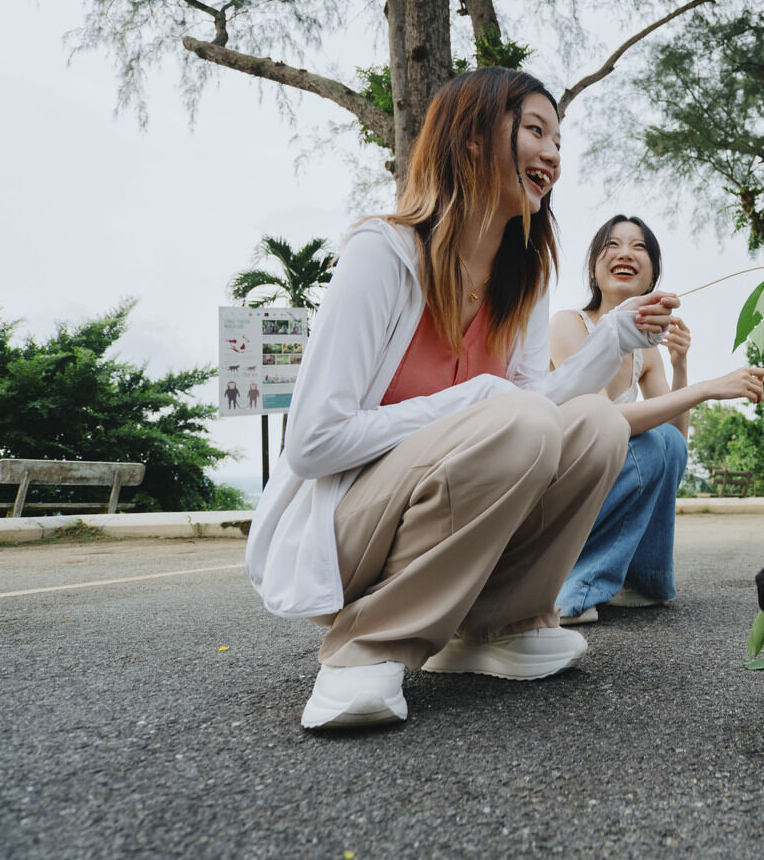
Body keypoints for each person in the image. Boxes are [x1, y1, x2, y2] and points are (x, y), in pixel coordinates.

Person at [244, 68, 680, 730]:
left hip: (443, 506)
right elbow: (312, 442)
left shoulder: (524, 281)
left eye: (558, 139)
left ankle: (496, 624)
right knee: (520, 413)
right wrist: (475, 397)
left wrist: (615, 336)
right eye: (535, 130)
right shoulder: (383, 254)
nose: (553, 153)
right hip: (351, 525)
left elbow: (539, 408)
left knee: (597, 424)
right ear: (474, 139)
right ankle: (368, 644)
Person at [550, 215, 764, 624]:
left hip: (607, 489)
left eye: (639, 247)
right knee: (642, 439)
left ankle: (641, 580)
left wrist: (680, 365)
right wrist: (705, 388)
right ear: (595, 266)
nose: (626, 253)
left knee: (665, 443)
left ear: (652, 274)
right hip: (565, 492)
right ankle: (573, 587)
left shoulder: (646, 352)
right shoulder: (568, 324)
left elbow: (674, 443)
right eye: (612, 245)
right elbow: (603, 425)